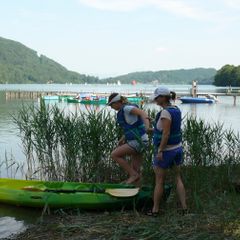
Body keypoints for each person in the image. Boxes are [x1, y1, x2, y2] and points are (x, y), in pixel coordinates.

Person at [148, 86, 187, 216]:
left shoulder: (165, 113)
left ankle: (155, 210)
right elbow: (167, 129)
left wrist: (160, 150)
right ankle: (184, 208)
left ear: (163, 98)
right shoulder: (176, 109)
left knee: (159, 181)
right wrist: (153, 128)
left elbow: (166, 133)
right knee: (177, 178)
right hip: (177, 148)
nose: (155, 100)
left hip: (166, 151)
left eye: (157, 98)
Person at [108, 93, 150, 184]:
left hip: (138, 141)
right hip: (140, 140)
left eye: (111, 104)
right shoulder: (125, 110)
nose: (111, 107)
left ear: (118, 102)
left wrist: (147, 127)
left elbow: (142, 113)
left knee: (114, 155)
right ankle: (137, 192)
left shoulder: (126, 108)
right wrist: (123, 138)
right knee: (136, 169)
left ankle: (133, 175)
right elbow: (132, 126)